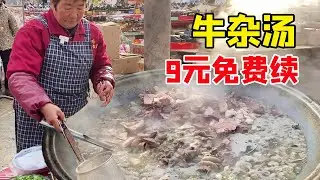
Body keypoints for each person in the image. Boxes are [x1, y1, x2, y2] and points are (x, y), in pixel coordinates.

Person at [7, 0, 115, 153]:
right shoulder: (34, 31)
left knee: (73, 163)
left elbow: (101, 65)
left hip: (75, 117)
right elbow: (20, 75)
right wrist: (43, 104)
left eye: (80, 7)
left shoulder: (93, 33)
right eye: (68, 7)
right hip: (38, 119)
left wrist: (104, 79)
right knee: (39, 170)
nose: (74, 15)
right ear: (53, 4)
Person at [0, 0, 18, 96]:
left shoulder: (7, 11)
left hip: (6, 45)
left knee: (8, 67)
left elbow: (15, 28)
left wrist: (16, 42)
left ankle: (8, 88)